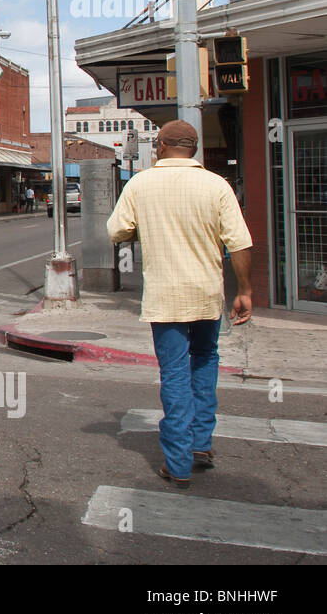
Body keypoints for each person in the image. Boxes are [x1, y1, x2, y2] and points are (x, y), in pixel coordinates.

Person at [107, 119, 253, 489]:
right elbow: (239, 243)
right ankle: (201, 444)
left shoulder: (140, 184)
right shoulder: (216, 185)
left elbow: (116, 231)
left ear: (161, 146)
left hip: (165, 297)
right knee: (205, 359)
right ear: (194, 148)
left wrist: (145, 226)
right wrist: (245, 291)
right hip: (206, 295)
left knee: (173, 372)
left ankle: (178, 462)